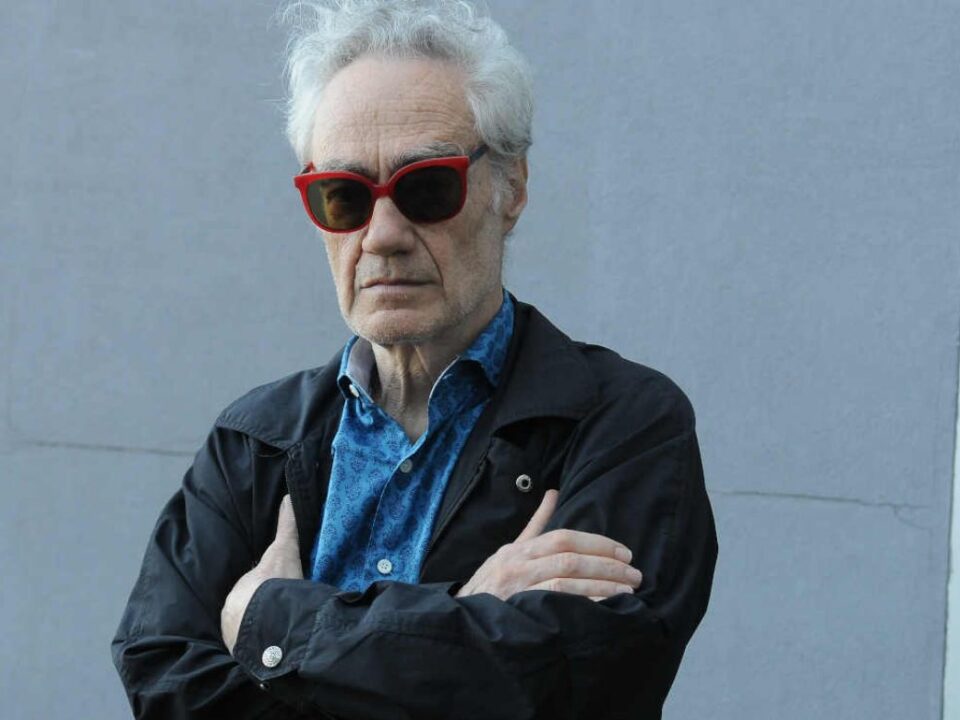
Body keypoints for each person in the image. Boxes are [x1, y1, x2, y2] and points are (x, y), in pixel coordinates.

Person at [112, 1, 718, 718]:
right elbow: (164, 683)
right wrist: (466, 611)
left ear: (512, 189)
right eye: (344, 196)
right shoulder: (253, 442)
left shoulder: (623, 425)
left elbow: (573, 686)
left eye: (427, 187)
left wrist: (273, 620)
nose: (382, 235)